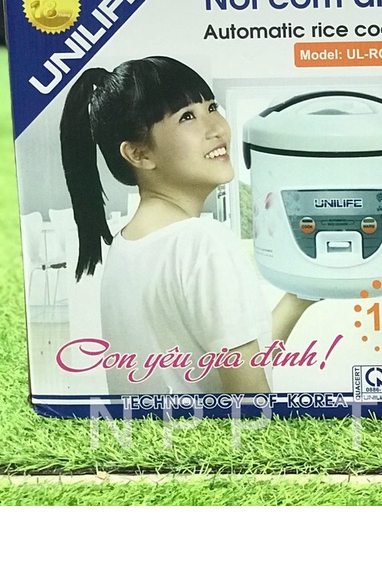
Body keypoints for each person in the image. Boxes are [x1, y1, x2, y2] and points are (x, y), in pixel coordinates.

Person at [59, 56, 313, 396]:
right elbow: (250, 401)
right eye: (187, 117)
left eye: (212, 107)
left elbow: (232, 362)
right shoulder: (201, 242)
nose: (217, 128)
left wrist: (297, 300)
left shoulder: (127, 244)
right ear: (138, 154)